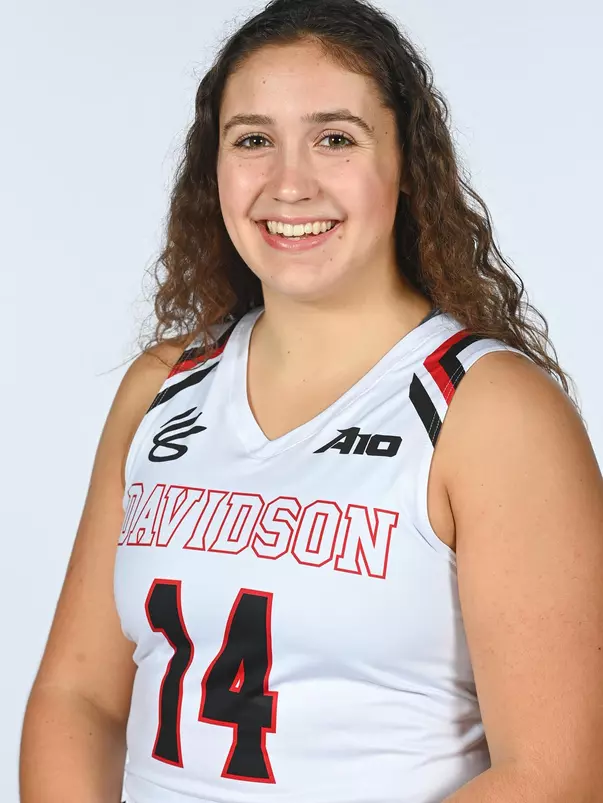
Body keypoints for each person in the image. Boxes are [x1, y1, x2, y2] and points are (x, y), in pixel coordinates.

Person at [19, 0, 603, 801]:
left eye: (335, 138)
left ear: (406, 168)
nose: (288, 184)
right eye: (252, 140)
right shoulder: (161, 387)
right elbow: (76, 695)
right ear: (212, 168)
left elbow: (554, 774)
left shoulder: (489, 410)